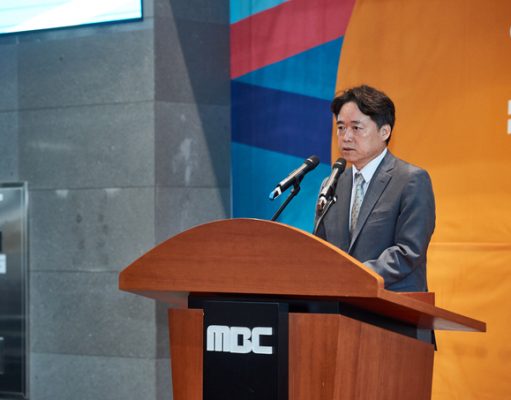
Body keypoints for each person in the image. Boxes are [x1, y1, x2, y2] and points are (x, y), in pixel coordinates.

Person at [315, 85, 435, 292]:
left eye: (356, 128)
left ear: (384, 131)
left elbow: (409, 251)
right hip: (339, 305)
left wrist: (355, 276)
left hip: (394, 305)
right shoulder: (332, 183)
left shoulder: (411, 180)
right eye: (341, 127)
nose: (346, 137)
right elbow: (320, 248)